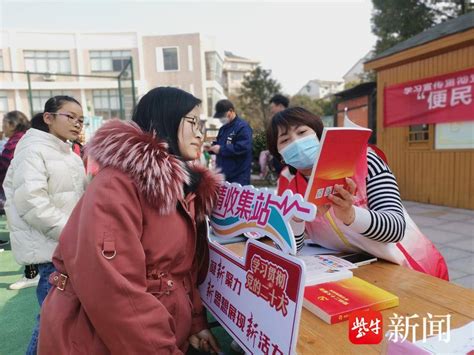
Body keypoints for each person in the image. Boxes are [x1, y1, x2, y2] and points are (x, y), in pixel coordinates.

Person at [38, 87, 222, 354]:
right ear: (164, 119)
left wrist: (195, 323)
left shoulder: (183, 189)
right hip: (102, 339)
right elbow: (113, 289)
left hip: (154, 332)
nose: (199, 133)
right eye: (192, 122)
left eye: (201, 124)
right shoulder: (118, 184)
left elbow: (182, 272)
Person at [266, 107, 448, 280]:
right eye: (285, 140)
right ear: (281, 156)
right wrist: (296, 221)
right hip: (363, 273)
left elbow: (396, 229)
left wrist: (351, 215)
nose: (296, 142)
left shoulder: (365, 160)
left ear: (319, 135)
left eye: (301, 132)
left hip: (412, 267)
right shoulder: (291, 191)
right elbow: (289, 248)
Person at [3, 96, 86, 354]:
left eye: (80, 120)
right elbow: (31, 202)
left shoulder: (67, 152)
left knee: (60, 321)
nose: (76, 124)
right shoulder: (33, 150)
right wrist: (71, 234)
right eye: (69, 116)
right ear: (48, 118)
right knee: (52, 322)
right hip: (52, 250)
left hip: (66, 248)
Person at [0, 111, 41, 288]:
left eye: (4, 123)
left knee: (25, 232)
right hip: (21, 192)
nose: (2, 127)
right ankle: (33, 273)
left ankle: (32, 274)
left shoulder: (18, 142)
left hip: (21, 193)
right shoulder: (21, 140)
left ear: (12, 124)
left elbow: (9, 168)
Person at [205, 99, 253, 186]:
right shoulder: (223, 129)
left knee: (238, 199)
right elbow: (218, 144)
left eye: (222, 116)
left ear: (231, 111)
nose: (221, 119)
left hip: (239, 176)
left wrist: (221, 149)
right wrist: (211, 148)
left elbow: (244, 147)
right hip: (223, 175)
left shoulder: (243, 127)